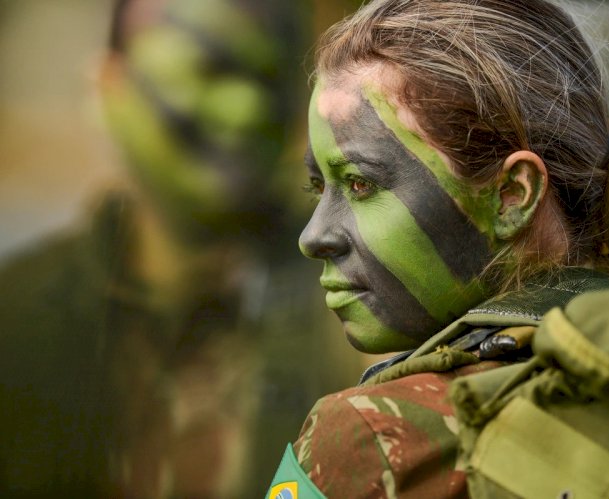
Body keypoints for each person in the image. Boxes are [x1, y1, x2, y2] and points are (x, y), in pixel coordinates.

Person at [265, 0, 609, 497]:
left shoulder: (370, 436)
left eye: (361, 184)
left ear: (512, 197)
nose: (313, 236)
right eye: (316, 187)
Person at [0, 0, 362, 497]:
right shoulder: (20, 317)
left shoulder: (357, 303)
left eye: (271, 78)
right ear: (109, 87)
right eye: (209, 69)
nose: (247, 108)